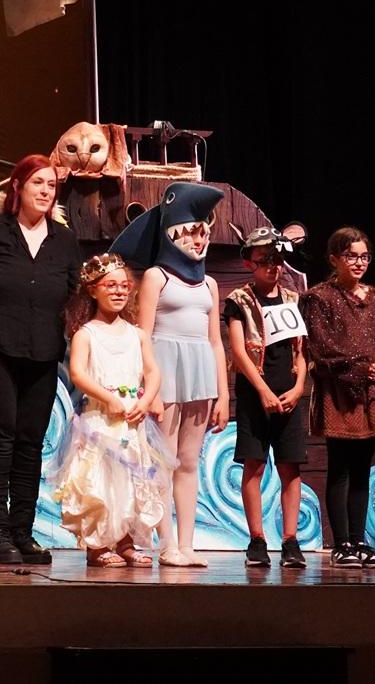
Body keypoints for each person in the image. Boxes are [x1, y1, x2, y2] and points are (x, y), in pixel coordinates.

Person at [0, 154, 82, 566]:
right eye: (38, 183)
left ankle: (22, 530)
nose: (45, 191)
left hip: (43, 350)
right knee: (0, 436)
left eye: (51, 185)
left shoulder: (64, 239)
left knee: (31, 442)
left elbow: (72, 289)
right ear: (17, 186)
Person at [111, 181, 229, 567]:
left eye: (203, 233)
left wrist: (223, 394)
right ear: (173, 234)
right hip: (165, 369)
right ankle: (168, 545)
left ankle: (187, 545)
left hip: (200, 372)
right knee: (164, 459)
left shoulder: (210, 284)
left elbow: (215, 342)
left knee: (189, 461)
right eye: (192, 232)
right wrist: (150, 388)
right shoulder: (156, 277)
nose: (199, 241)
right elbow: (143, 335)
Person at [52, 253, 174, 567]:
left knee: (132, 479)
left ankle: (126, 541)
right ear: (93, 290)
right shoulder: (86, 333)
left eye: (123, 285)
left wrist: (146, 401)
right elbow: (78, 373)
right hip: (100, 420)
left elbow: (153, 371)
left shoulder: (137, 334)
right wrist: (107, 398)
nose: (119, 291)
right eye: (110, 285)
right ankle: (98, 544)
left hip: (132, 421)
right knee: (100, 480)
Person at [300, 226, 375, 567]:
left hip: (372, 395)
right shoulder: (319, 298)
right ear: (334, 259)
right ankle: (341, 543)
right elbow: (322, 348)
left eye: (364, 257)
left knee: (362, 470)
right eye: (351, 256)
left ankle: (359, 541)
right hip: (340, 392)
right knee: (341, 467)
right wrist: (361, 368)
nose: (358, 263)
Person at [223, 227, 308, 569]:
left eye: (278, 260)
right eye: (265, 260)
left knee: (290, 466)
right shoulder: (239, 300)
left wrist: (299, 386)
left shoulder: (293, 299)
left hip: (288, 393)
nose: (273, 266)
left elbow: (301, 350)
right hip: (255, 393)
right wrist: (263, 391)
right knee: (254, 464)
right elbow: (239, 350)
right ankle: (257, 539)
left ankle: (291, 540)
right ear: (250, 263)